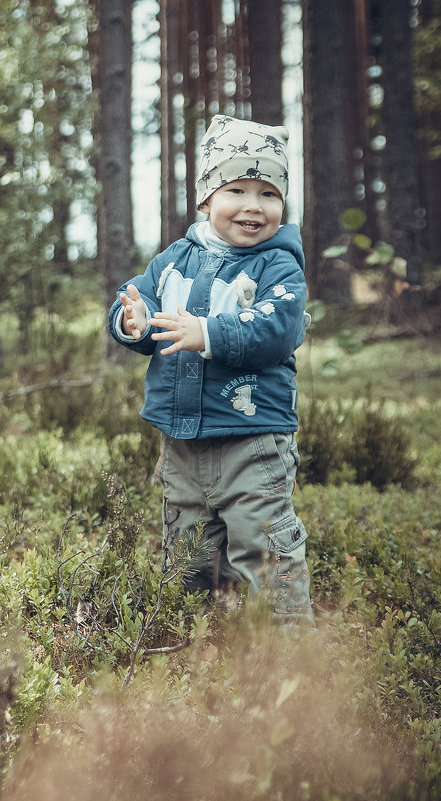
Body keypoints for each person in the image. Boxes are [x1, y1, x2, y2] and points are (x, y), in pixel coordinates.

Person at [108, 114, 313, 624]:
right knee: (188, 562)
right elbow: (138, 304)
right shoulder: (174, 261)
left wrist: (209, 333)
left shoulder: (278, 266)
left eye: (268, 192)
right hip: (182, 447)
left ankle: (296, 661)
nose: (253, 205)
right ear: (205, 199)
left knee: (266, 553)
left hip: (253, 442)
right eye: (237, 189)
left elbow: (279, 326)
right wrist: (131, 322)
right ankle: (199, 654)